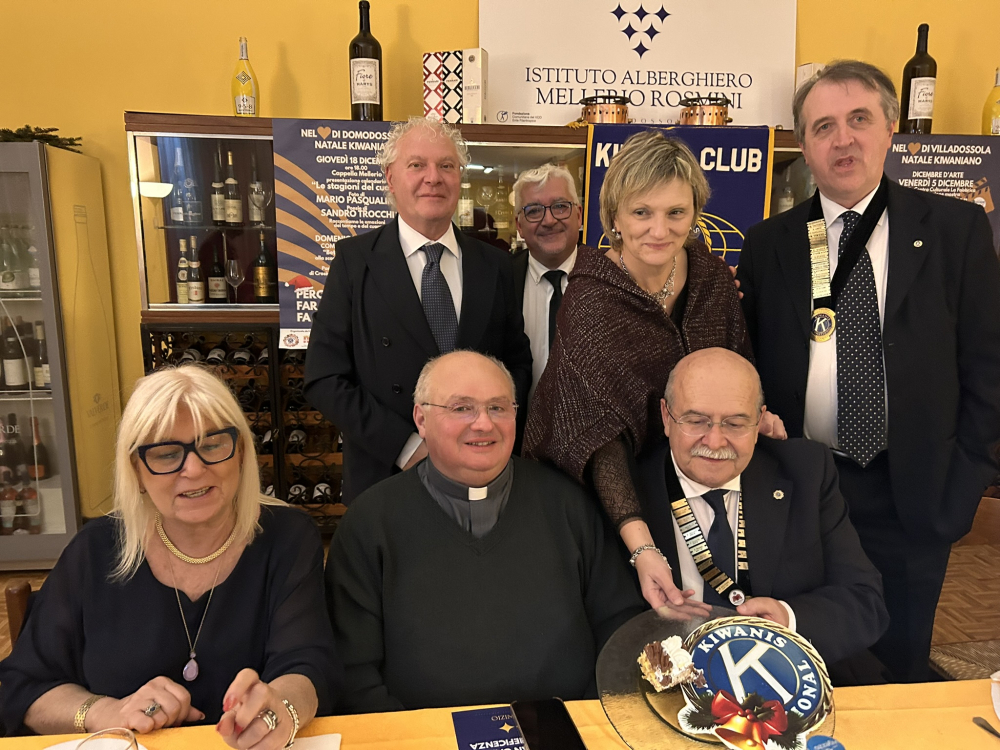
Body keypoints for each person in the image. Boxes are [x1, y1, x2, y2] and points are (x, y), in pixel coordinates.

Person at [736, 60, 1000, 682]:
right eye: (823, 126)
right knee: (798, 659)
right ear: (805, 147)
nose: (843, 139)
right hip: (802, 486)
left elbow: (989, 369)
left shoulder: (956, 231)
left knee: (900, 666)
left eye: (859, 119)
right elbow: (751, 363)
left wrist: (963, 486)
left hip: (913, 492)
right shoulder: (771, 243)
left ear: (890, 130)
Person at [0, 366, 341, 743]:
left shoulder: (288, 537)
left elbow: (307, 665)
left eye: (212, 445)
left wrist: (283, 709)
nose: (193, 469)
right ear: (136, 469)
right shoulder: (94, 550)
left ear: (241, 452)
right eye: (165, 454)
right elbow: (22, 687)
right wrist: (105, 712)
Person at [524, 130, 776, 612]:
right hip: (607, 494)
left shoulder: (712, 279)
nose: (659, 230)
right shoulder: (590, 299)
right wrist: (640, 545)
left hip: (695, 477)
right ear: (614, 217)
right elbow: (596, 439)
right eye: (642, 212)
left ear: (695, 213)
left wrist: (756, 416)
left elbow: (738, 370)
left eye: (675, 212)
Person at [325, 351, 644, 713]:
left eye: (498, 407)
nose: (483, 424)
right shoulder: (369, 522)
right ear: (421, 419)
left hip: (567, 728)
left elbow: (619, 627)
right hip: (420, 735)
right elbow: (352, 673)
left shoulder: (567, 504)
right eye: (461, 408)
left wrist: (585, 722)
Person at [304, 116, 533, 503]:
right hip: (386, 472)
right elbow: (324, 378)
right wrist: (407, 446)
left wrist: (493, 433)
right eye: (417, 165)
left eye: (446, 165)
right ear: (391, 178)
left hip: (481, 471)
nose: (433, 178)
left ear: (459, 177)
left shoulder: (495, 264)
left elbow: (517, 363)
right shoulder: (354, 261)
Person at [633, 348, 889, 672]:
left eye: (735, 424)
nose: (715, 441)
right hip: (667, 682)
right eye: (696, 421)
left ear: (759, 422)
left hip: (788, 678)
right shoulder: (629, 491)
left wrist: (788, 619)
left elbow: (864, 603)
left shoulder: (807, 471)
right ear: (666, 417)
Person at [510, 163, 586, 398]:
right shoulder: (499, 280)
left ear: (579, 215)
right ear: (519, 226)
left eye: (560, 206)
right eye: (534, 211)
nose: (549, 220)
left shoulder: (608, 278)